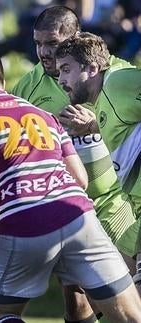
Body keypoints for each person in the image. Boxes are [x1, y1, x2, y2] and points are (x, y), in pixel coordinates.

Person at [0, 47, 141, 323]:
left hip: (24, 220)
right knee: (130, 316)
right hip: (79, 216)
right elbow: (80, 178)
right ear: (3, 81)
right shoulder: (45, 117)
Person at [0, 6, 140, 322]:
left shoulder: (113, 75)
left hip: (119, 205)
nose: (43, 52)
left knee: (126, 301)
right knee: (78, 304)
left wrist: (95, 127)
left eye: (52, 43)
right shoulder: (27, 89)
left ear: (75, 41)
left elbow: (128, 125)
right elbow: (11, 145)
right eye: (38, 43)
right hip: (67, 209)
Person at [55, 31, 141, 291]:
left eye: (66, 70)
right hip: (135, 219)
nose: (60, 80)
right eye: (59, 72)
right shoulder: (99, 104)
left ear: (92, 68)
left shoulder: (117, 82)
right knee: (113, 292)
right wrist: (92, 129)